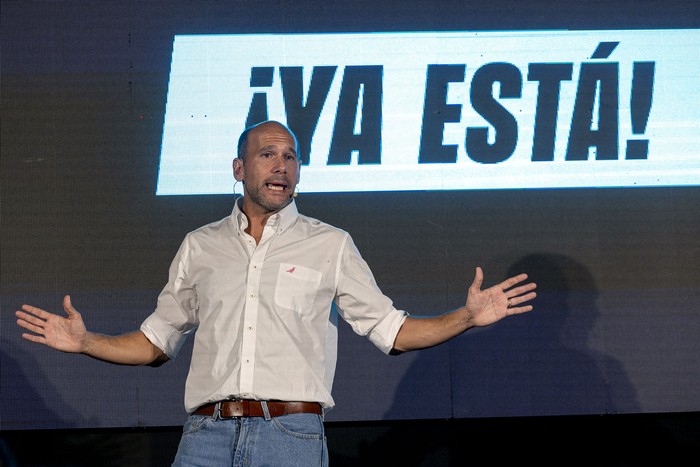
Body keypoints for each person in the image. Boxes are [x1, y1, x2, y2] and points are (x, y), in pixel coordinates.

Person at [15, 120, 537, 466]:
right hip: (206, 438)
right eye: (267, 155)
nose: (282, 165)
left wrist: (466, 317)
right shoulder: (200, 246)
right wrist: (88, 343)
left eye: (290, 156)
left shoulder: (330, 244)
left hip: (290, 439)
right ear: (239, 169)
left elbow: (393, 331)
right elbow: (156, 342)